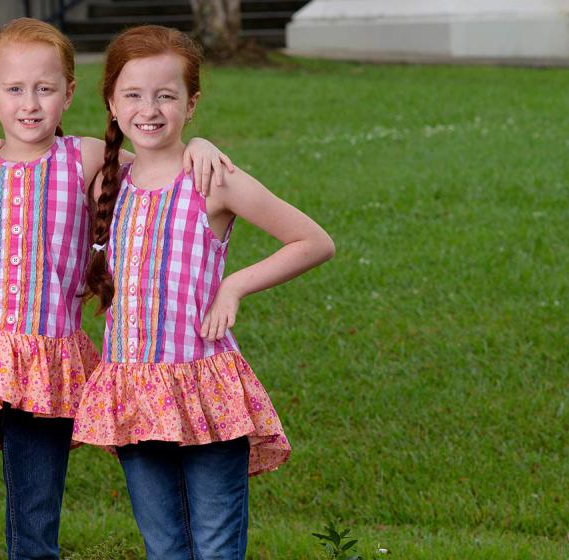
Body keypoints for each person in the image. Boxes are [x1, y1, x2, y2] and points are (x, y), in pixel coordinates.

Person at [0, 18, 232, 559]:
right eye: (13, 89)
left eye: (44, 89)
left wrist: (201, 143)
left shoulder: (85, 158)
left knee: (35, 523)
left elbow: (156, 157)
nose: (29, 104)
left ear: (69, 93)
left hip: (47, 369)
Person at [73, 25, 335, 559]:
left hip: (206, 391)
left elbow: (313, 241)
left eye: (166, 95)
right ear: (111, 101)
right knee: (164, 546)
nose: (150, 109)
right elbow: (29, 148)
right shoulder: (105, 179)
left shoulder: (211, 179)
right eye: (134, 95)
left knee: (216, 544)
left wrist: (234, 285)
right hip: (133, 389)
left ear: (191, 105)